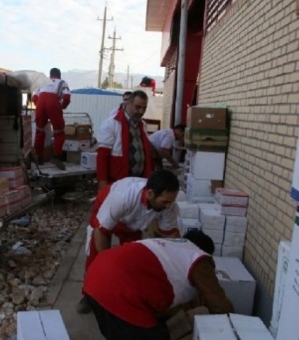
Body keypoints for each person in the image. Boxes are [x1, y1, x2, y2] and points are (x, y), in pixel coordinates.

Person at [83, 230, 235, 340]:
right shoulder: (199, 259)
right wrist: (235, 327)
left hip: (94, 278)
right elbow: (218, 302)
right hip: (116, 291)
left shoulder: (172, 246)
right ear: (206, 252)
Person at [77, 170, 181, 314]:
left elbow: (171, 235)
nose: (169, 206)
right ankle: (89, 295)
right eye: (165, 202)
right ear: (150, 193)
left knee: (133, 260)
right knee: (95, 257)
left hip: (132, 224)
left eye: (171, 202)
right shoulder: (122, 197)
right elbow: (101, 231)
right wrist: (107, 264)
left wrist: (181, 258)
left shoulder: (169, 205)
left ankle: (128, 295)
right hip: (107, 211)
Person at [97, 90, 154, 191]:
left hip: (139, 181)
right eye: (138, 107)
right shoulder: (111, 124)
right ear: (129, 103)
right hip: (118, 181)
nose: (141, 111)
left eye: (144, 108)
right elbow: (102, 156)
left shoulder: (142, 125)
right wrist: (102, 182)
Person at [32, 68, 71, 170]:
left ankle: (39, 156)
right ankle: (56, 155)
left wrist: (40, 106)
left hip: (41, 102)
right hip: (53, 102)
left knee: (39, 130)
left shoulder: (42, 83)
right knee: (59, 131)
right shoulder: (62, 82)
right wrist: (62, 107)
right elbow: (66, 97)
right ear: (59, 75)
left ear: (50, 75)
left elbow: (34, 98)